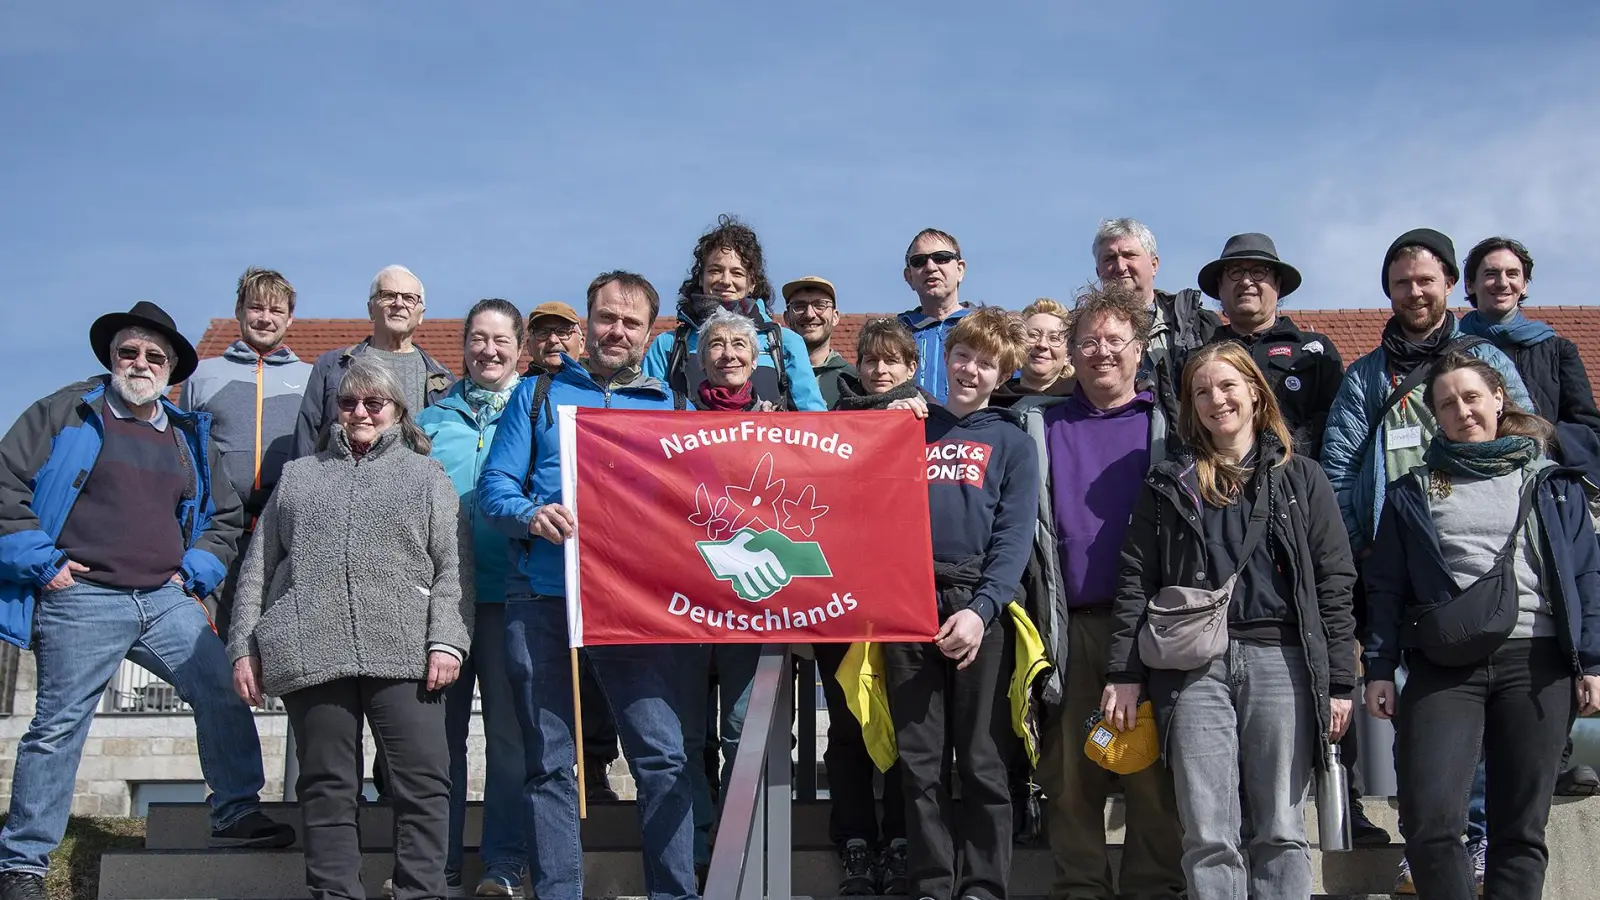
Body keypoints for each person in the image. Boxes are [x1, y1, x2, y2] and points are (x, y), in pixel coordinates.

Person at [0, 302, 293, 900]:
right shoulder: (65, 412)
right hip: (81, 595)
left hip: (166, 596)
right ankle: (25, 862)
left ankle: (235, 812)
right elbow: (6, 488)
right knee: (57, 727)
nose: (140, 363)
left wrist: (196, 573)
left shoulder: (189, 435)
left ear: (170, 370)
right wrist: (44, 563)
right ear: (111, 357)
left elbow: (225, 516)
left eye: (154, 357)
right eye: (129, 353)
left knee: (223, 688)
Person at [1321, 228, 1535, 892]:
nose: (1414, 291)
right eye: (1400, 282)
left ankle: (1474, 837)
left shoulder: (1488, 359)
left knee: (1483, 716)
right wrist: (1362, 548)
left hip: (1486, 563)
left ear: (1449, 283)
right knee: (1421, 709)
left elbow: (1529, 440)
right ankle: (1431, 837)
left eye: (1425, 279)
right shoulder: (1365, 376)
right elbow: (1339, 465)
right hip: (1400, 559)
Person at [1104, 342, 1358, 900]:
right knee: (1208, 833)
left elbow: (1335, 583)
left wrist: (1341, 680)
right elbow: (1135, 579)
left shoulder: (1304, 479)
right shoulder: (1169, 484)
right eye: (1201, 392)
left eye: (1227, 386)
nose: (1216, 400)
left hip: (1282, 662)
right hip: (1194, 670)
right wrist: (1123, 673)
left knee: (1282, 830)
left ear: (1254, 393)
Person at [479, 271, 697, 900]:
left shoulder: (671, 407)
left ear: (649, 331)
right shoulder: (536, 394)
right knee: (550, 765)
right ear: (585, 323)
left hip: (635, 606)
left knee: (662, 758)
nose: (616, 331)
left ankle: (675, 893)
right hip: (543, 596)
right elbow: (495, 489)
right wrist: (531, 515)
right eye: (606, 318)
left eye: (631, 322)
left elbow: (695, 507)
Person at [229, 354, 470, 900]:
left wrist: (448, 641)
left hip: (407, 649)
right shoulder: (299, 475)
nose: (360, 411)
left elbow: (456, 570)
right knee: (327, 786)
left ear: (397, 411)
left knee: (425, 784)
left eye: (374, 402)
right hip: (310, 646)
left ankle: (420, 892)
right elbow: (259, 569)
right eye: (348, 402)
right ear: (335, 410)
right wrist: (244, 646)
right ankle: (335, 893)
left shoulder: (426, 476)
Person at [1363, 352, 1600, 900]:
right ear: (1435, 418)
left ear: (1498, 399)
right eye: (1447, 404)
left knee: (1520, 830)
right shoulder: (1411, 492)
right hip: (1444, 663)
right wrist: (1378, 667)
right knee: (1430, 820)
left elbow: (1587, 573)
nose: (1462, 411)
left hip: (1537, 661)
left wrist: (1591, 661)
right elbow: (1385, 587)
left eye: (1471, 397)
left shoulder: (1552, 483)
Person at [1017, 285, 1186, 900]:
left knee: (1151, 774)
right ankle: (1080, 888)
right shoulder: (1038, 425)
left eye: (1116, 340)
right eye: (1087, 340)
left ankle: (1154, 888)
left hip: (1150, 627)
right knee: (1068, 775)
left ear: (1140, 350)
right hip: (1068, 623)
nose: (1102, 352)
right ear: (1069, 352)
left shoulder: (1167, 426)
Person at [881, 307, 1040, 900]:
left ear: (1002, 374)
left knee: (982, 761)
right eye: (963, 357)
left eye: (986, 363)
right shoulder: (907, 428)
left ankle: (982, 886)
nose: (971, 370)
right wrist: (884, 419)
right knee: (919, 763)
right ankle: (931, 882)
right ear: (944, 360)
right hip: (908, 604)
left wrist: (982, 609)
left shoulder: (1014, 444)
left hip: (979, 608)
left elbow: (1014, 538)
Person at [1458, 236, 1600, 797]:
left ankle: (1554, 757)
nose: (1501, 282)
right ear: (1468, 285)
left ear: (1525, 283)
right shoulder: (1457, 345)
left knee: (1554, 623)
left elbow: (1588, 428)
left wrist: (1535, 434)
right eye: (1489, 274)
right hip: (1470, 499)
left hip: (1540, 494)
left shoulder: (1555, 348)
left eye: (1512, 274)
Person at [416, 299, 530, 897]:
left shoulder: (535, 413)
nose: (489, 350)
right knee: (439, 745)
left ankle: (504, 865)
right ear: (463, 346)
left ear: (521, 348)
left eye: (501, 340)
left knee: (511, 742)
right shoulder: (430, 421)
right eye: (478, 339)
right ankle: (438, 868)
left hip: (514, 598)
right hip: (442, 604)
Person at [820, 318, 921, 894]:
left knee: (910, 727)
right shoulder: (835, 424)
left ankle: (903, 839)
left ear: (912, 368)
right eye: (871, 361)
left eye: (893, 361)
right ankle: (855, 840)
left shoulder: (929, 422)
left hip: (903, 599)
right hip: (840, 602)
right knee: (847, 727)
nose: (880, 371)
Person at [679, 309, 782, 872]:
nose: (728, 354)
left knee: (744, 733)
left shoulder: (783, 423)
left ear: (757, 357)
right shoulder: (672, 421)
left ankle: (739, 853)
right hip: (686, 603)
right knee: (688, 737)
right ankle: (693, 852)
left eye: (739, 344)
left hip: (753, 604)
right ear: (700, 357)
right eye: (715, 345)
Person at [518, 300, 622, 796]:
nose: (553, 342)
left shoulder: (608, 393)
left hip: (607, 573)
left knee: (601, 686)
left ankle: (597, 767)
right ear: (529, 343)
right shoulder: (529, 396)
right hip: (538, 573)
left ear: (582, 339)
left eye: (564, 333)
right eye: (542, 334)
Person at [180, 267, 313, 639]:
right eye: (256, 307)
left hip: (282, 533)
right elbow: (185, 456)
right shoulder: (202, 375)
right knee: (213, 645)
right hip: (217, 534)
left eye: (276, 310)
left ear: (290, 319)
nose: (265, 318)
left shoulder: (310, 377)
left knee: (279, 642)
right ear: (239, 310)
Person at [642, 214, 825, 411]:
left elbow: (814, 421)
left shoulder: (784, 343)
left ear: (752, 283)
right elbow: (647, 419)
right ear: (701, 278)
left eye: (737, 273)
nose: (725, 280)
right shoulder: (668, 346)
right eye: (715, 270)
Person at [1199, 234, 1343, 460]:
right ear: (1220, 286)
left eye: (1258, 272)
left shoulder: (1314, 352)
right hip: (1222, 483)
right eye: (1235, 272)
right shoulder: (1200, 359)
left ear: (1277, 283)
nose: (1246, 281)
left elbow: (1338, 425)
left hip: (1299, 482)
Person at [293, 264, 454, 458]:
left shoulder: (443, 380)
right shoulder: (332, 366)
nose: (399, 303)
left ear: (421, 315)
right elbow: (306, 438)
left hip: (416, 485)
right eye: (388, 295)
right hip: (342, 483)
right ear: (370, 309)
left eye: (409, 298)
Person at [1093, 218, 1221, 431]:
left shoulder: (1197, 325)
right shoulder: (1080, 333)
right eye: (1109, 258)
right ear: (1098, 272)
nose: (1120, 266)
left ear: (1154, 265)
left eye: (1129, 255)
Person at [897, 228, 973, 402]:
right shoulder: (893, 333)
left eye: (941, 258)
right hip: (909, 427)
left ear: (960, 269)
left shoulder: (990, 329)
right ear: (909, 277)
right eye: (919, 261)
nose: (930, 267)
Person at [783, 275, 855, 408]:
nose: (810, 314)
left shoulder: (855, 379)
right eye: (799, 306)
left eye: (820, 305)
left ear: (835, 317)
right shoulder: (773, 377)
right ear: (787, 317)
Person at [991, 298, 1074, 408]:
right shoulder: (990, 398)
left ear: (1068, 356)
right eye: (1033, 335)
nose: (1042, 344)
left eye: (1054, 338)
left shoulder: (1081, 402)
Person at [525, 301, 587, 375]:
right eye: (543, 333)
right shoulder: (519, 386)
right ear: (529, 347)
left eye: (562, 332)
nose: (553, 340)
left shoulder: (597, 385)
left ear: (581, 344)